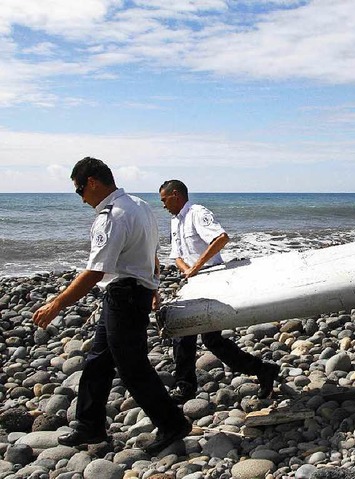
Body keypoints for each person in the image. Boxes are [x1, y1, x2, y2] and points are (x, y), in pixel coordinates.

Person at [33, 157, 191, 455]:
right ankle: (89, 424)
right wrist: (153, 285)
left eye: (80, 190)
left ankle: (172, 423)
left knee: (132, 367)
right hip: (129, 293)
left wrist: (57, 304)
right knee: (98, 361)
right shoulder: (139, 206)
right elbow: (151, 251)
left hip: (125, 296)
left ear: (92, 182)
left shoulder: (113, 215)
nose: (81, 199)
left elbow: (95, 272)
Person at [159, 180, 280, 403]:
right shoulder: (175, 222)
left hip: (211, 279)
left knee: (206, 338)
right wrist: (187, 270)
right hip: (193, 282)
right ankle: (187, 385)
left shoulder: (197, 213)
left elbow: (220, 238)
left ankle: (186, 386)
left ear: (175, 195)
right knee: (192, 336)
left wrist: (196, 267)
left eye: (164, 200)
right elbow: (176, 255)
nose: (163, 205)